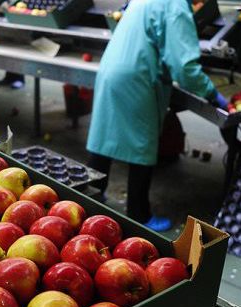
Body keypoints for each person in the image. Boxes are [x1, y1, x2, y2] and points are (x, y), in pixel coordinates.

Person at [86, 0, 226, 232]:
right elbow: (184, 67)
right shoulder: (176, 6)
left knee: (104, 137)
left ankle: (89, 201)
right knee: (142, 145)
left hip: (112, 69)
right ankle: (139, 214)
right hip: (138, 77)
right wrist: (211, 92)